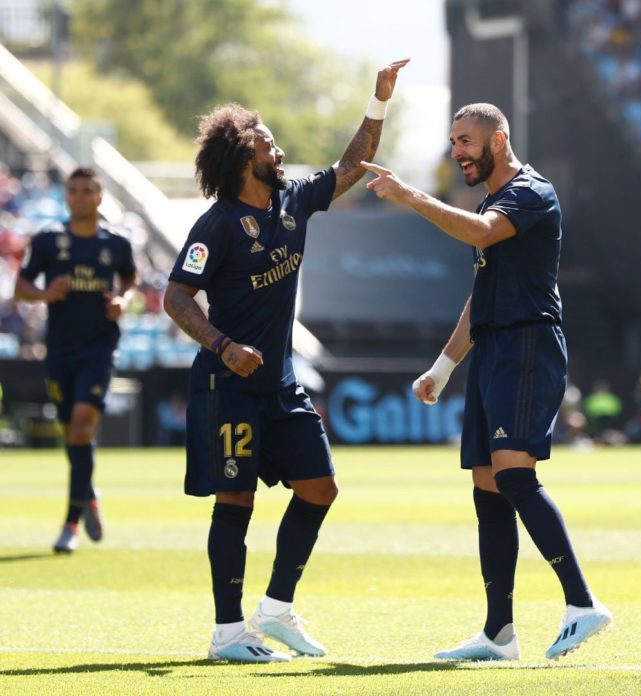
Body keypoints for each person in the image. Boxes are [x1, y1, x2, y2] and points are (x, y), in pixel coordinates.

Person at [163, 58, 409, 663]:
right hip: (228, 386)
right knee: (236, 502)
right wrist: (223, 345)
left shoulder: (292, 201)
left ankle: (274, 611)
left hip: (279, 384)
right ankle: (228, 634)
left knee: (320, 488)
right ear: (242, 158)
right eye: (268, 144)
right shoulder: (217, 226)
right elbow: (176, 296)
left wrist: (378, 100)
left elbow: (351, 166)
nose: (279, 151)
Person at [361, 103, 612, 661]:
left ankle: (582, 604)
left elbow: (481, 232)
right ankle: (499, 633)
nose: (457, 152)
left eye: (466, 141)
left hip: (527, 345)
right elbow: (482, 297)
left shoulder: (530, 192)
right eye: (454, 141)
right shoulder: (491, 202)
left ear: (498, 139)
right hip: (494, 349)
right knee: (487, 486)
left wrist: (411, 195)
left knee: (514, 475)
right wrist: (443, 367)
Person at [14, 167, 136, 553]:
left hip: (99, 348)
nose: (80, 196)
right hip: (60, 350)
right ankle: (89, 495)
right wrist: (46, 294)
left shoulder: (117, 244)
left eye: (88, 190)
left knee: (82, 428)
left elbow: (130, 280)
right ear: (66, 196)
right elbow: (21, 287)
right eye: (74, 190)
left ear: (100, 197)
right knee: (72, 432)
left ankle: (69, 524)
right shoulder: (49, 240)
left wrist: (123, 301)